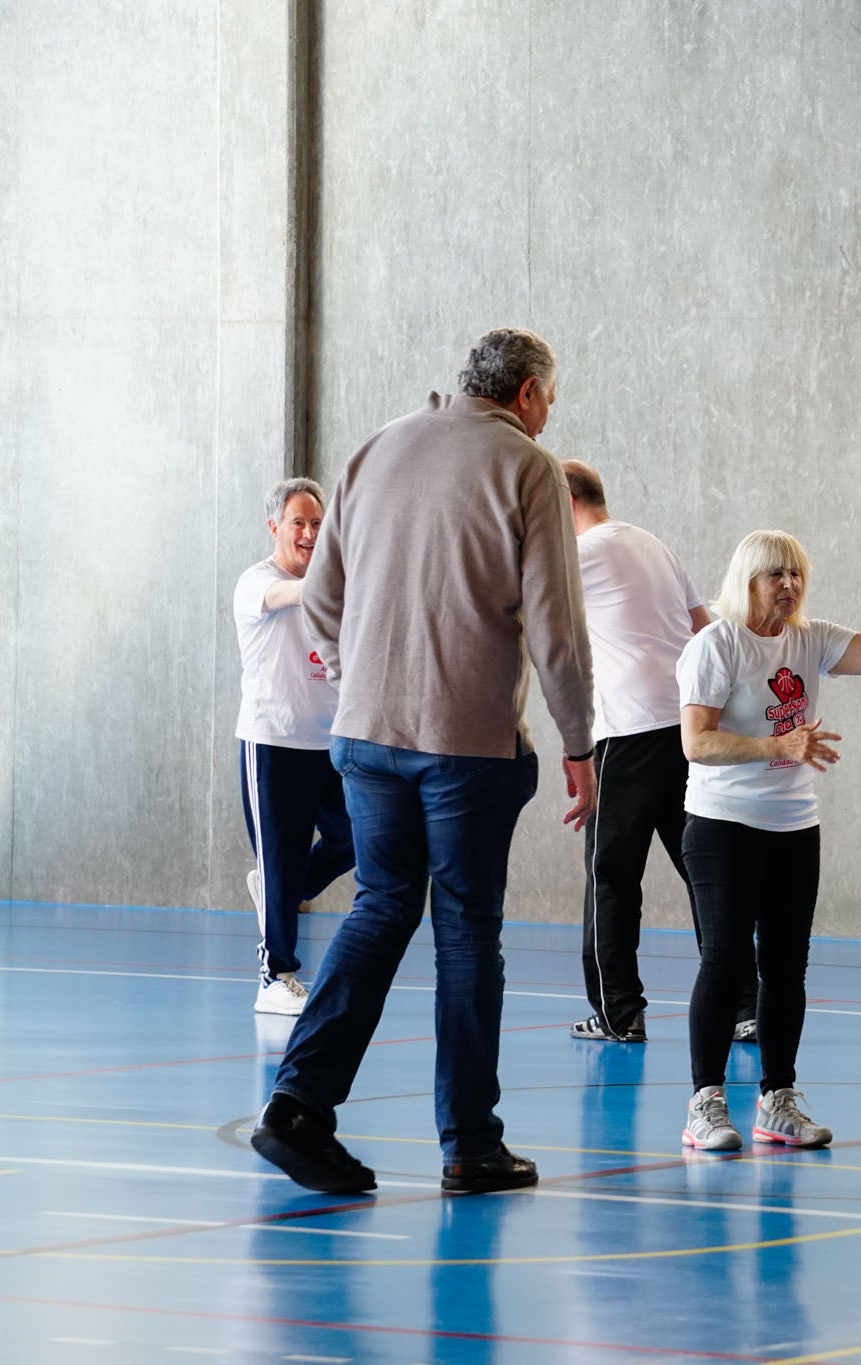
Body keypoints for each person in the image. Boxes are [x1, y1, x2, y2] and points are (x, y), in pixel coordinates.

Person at [249, 328, 596, 1197]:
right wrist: (581, 745)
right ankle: (471, 1144)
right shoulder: (527, 468)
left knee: (382, 903)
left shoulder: (375, 449)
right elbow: (557, 631)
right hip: (464, 743)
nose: (548, 416)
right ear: (525, 395)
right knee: (468, 927)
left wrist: (364, 675)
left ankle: (296, 1104)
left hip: (365, 737)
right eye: (549, 399)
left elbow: (321, 603)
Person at [677, 530, 861, 1152]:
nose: (790, 587)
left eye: (797, 575)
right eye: (777, 576)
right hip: (721, 826)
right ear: (748, 581)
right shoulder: (716, 645)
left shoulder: (810, 638)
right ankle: (705, 1103)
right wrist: (778, 745)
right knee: (725, 962)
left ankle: (778, 1099)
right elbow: (696, 743)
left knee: (786, 968)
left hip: (793, 825)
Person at [561, 459, 751, 1045]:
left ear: (561, 502)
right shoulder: (652, 544)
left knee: (611, 876)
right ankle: (745, 1007)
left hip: (628, 731)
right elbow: (704, 630)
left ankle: (619, 1014)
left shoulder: (581, 554)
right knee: (706, 874)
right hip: (684, 728)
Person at [234, 477, 355, 1016]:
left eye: (317, 524)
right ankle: (274, 976)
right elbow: (292, 593)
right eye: (298, 523)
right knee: (280, 857)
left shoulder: (335, 589)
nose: (309, 534)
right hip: (273, 745)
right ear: (275, 528)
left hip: (330, 747)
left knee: (357, 838)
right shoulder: (257, 583)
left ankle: (278, 888)